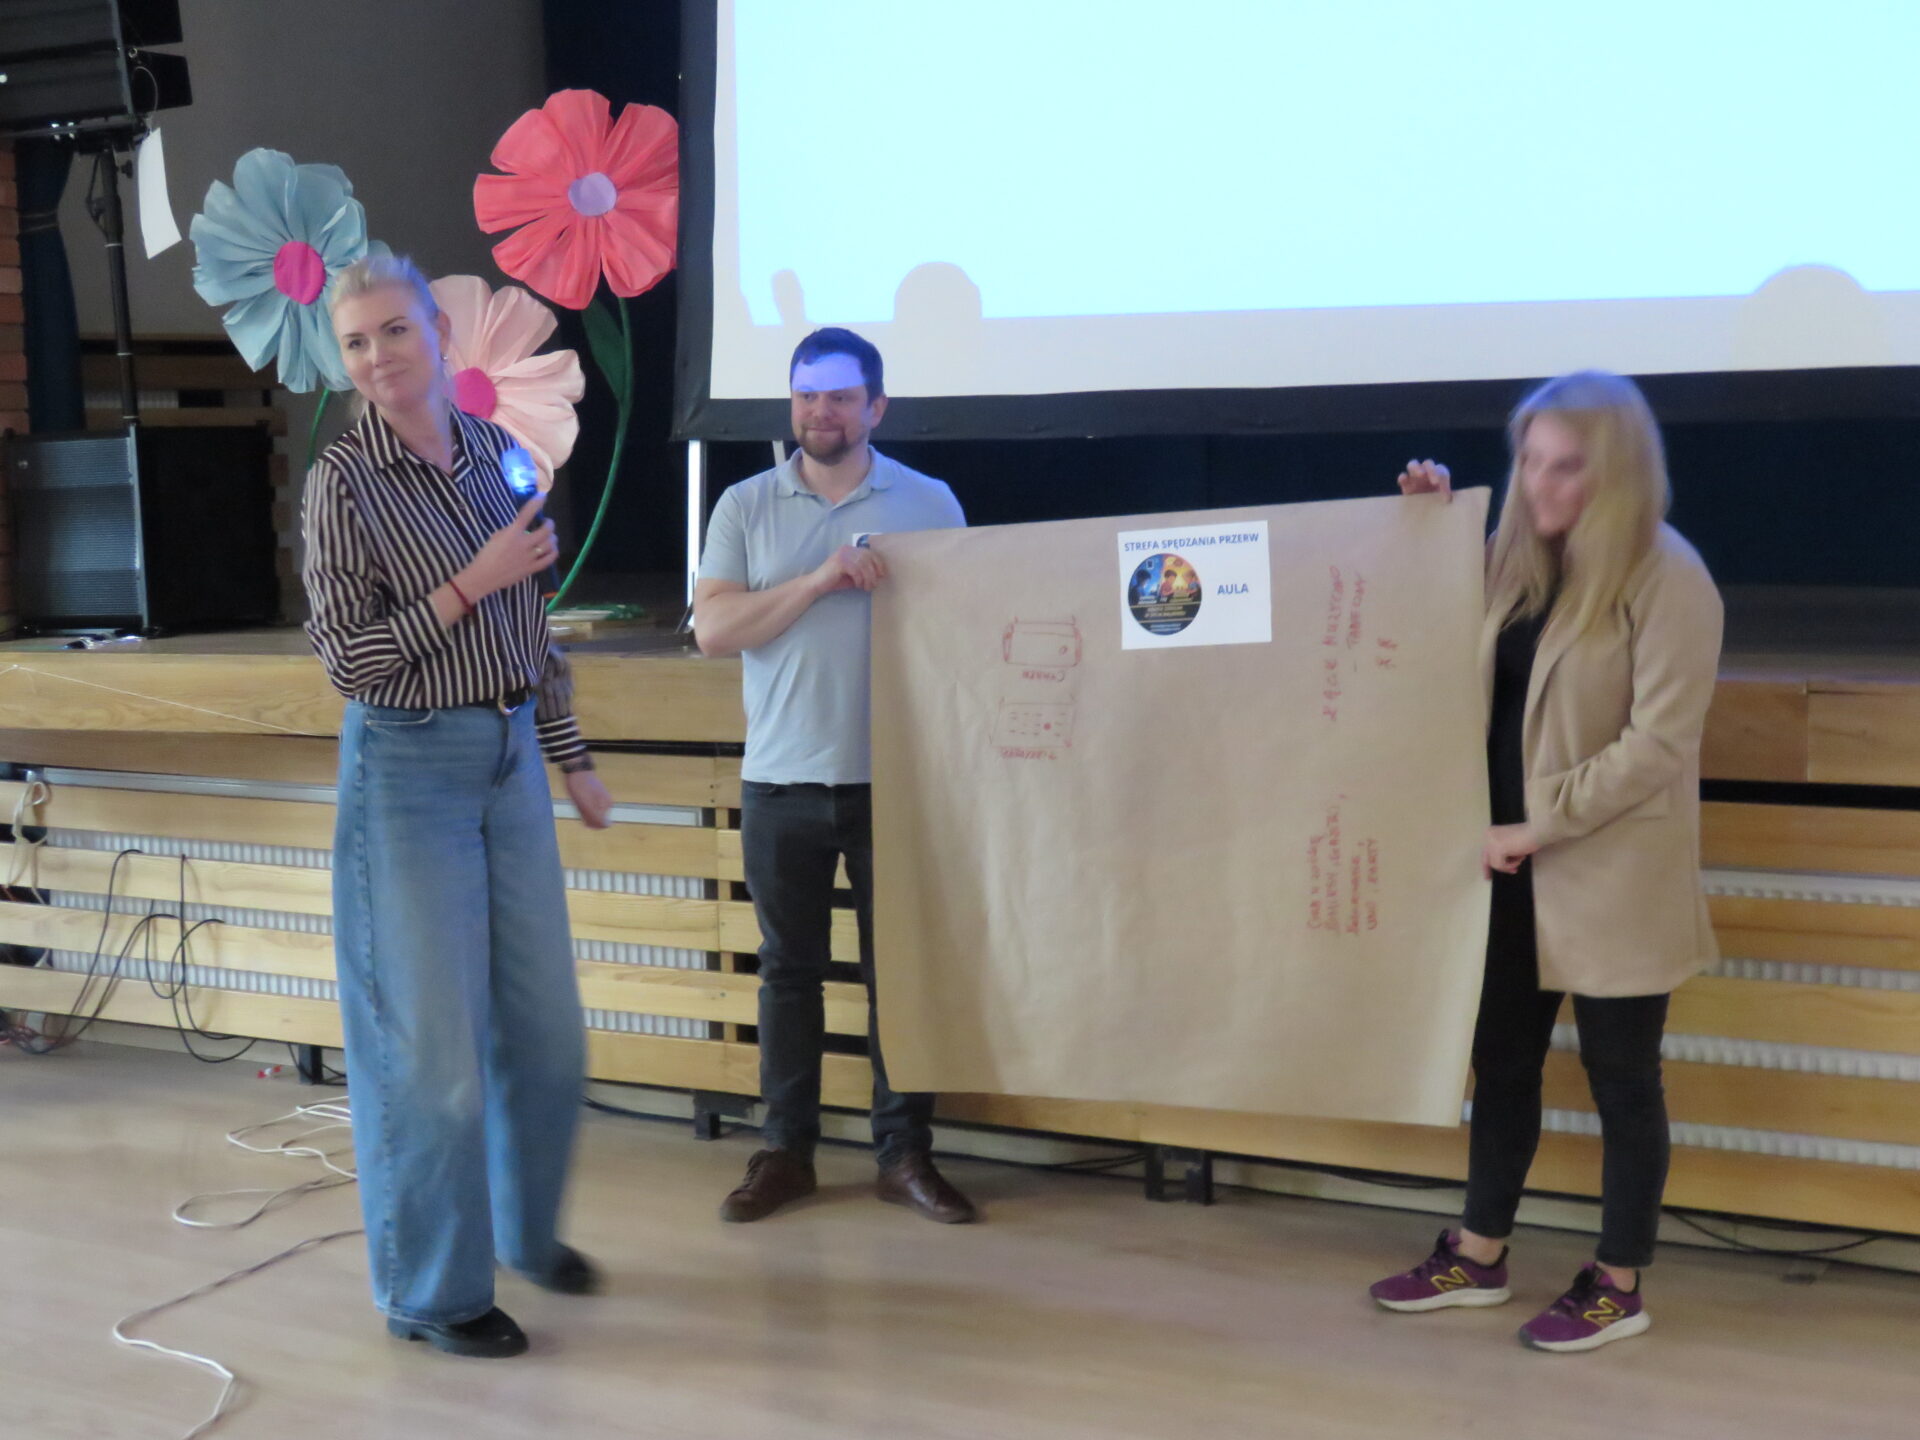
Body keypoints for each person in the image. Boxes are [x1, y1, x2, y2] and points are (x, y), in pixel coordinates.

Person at [1368, 370, 1723, 1352]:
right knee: (1504, 1062)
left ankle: (1618, 1283)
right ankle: (1478, 1255)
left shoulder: (1670, 576)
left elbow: (1658, 746)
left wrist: (1538, 823)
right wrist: (1430, 528)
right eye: (1529, 461)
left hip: (1611, 875)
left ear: (1617, 472)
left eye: (1566, 467)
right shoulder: (1513, 557)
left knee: (1623, 1078)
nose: (1539, 484)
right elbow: (1424, 641)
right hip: (1507, 868)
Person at [302, 254, 614, 1359]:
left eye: (394, 330)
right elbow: (350, 662)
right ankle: (432, 1295)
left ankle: (524, 1234)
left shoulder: (494, 451)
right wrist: (468, 581)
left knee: (550, 1040)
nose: (378, 356)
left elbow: (530, 623)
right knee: (430, 1061)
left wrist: (569, 756)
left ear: (438, 330)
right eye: (355, 342)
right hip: (409, 772)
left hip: (510, 758)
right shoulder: (342, 482)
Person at [693, 327, 976, 1224]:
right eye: (807, 395)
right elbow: (714, 630)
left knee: (902, 975)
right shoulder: (743, 505)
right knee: (787, 975)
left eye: (841, 397)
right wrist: (819, 580)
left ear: (876, 407)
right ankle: (786, 1153)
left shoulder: (930, 501)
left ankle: (905, 1155)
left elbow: (967, 633)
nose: (822, 411)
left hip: (900, 782)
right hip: (782, 777)